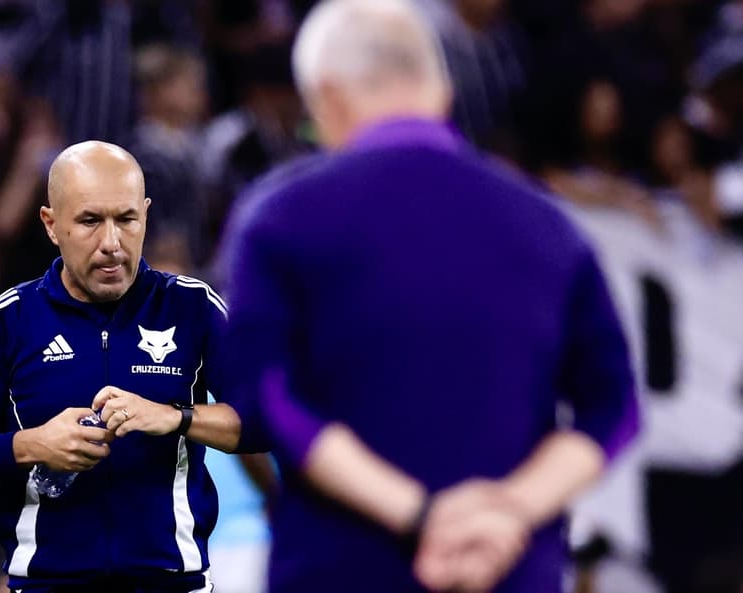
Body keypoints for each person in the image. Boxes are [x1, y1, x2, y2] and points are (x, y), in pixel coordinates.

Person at [220, 1, 639, 592]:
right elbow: (614, 404)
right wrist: (507, 511)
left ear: (327, 96)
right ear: (442, 90)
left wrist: (421, 514)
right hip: (509, 567)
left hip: (344, 570)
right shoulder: (549, 224)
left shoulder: (279, 219)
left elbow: (264, 398)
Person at [0, 141, 262, 593]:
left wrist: (175, 418)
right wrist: (34, 444)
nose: (111, 243)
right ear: (51, 224)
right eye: (90, 221)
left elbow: (264, 423)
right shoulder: (8, 320)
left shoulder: (193, 307)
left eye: (126, 219)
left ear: (145, 215)